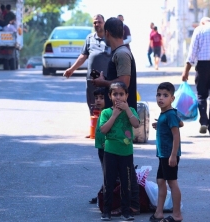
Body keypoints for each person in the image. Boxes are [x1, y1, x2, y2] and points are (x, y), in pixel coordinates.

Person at [92, 17, 140, 217]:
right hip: (116, 115)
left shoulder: (121, 54)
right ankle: (115, 201)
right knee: (114, 166)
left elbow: (124, 83)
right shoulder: (120, 52)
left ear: (108, 33)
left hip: (123, 118)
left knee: (122, 169)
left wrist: (103, 83)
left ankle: (131, 205)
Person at [63, 14, 111, 137]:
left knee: (107, 103)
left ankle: (107, 131)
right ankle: (94, 130)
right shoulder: (89, 38)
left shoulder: (110, 38)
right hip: (92, 79)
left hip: (106, 79)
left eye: (99, 22)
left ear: (104, 23)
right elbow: (83, 56)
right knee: (92, 103)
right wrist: (72, 69)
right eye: (95, 22)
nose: (97, 24)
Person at [99, 82, 140, 221]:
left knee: (126, 182)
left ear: (127, 96)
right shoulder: (106, 112)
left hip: (126, 153)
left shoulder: (132, 111)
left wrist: (127, 110)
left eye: (121, 94)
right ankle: (106, 211)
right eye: (115, 94)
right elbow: (103, 130)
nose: (118, 97)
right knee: (109, 182)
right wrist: (114, 115)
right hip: (110, 152)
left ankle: (126, 211)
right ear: (110, 96)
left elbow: (136, 124)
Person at [150, 82, 183, 222]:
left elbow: (176, 135)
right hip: (163, 155)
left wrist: (173, 155)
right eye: (158, 95)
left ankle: (177, 215)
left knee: (172, 183)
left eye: (165, 95)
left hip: (169, 155)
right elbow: (180, 123)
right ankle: (159, 212)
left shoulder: (169, 114)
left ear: (172, 98)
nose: (160, 98)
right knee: (160, 181)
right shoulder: (167, 113)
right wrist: (160, 125)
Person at [89, 87, 106, 204]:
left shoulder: (108, 113)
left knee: (109, 173)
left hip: (107, 148)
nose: (98, 100)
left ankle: (105, 194)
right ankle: (103, 193)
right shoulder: (101, 113)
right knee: (105, 172)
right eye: (96, 98)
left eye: (101, 98)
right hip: (101, 147)